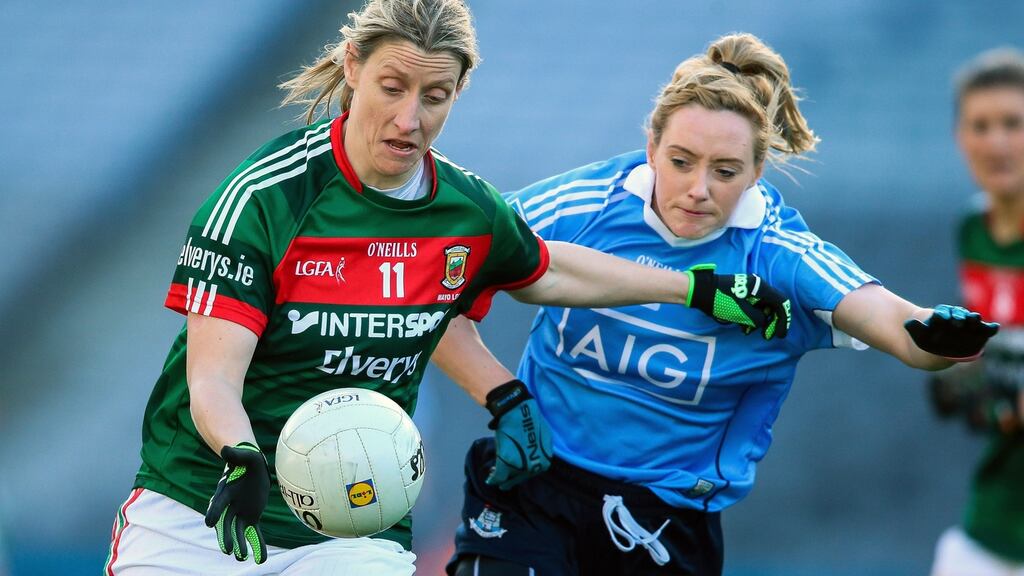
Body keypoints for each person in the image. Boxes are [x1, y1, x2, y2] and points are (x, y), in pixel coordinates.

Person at [101, 3, 794, 575]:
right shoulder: (266, 197)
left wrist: (693, 291)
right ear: (353, 70)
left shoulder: (466, 210)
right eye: (393, 88)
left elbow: (548, 269)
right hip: (205, 503)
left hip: (355, 523)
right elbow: (212, 377)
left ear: (457, 93)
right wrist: (239, 456)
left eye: (435, 97)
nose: (410, 120)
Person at [433, 33, 1001, 576]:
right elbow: (429, 291)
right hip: (536, 484)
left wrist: (931, 332)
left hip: (664, 522)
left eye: (725, 171)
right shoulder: (583, 205)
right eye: (680, 161)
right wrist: (505, 398)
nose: (698, 188)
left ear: (757, 172)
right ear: (651, 145)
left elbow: (890, 321)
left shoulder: (780, 255)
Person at [928, 48, 1024, 576]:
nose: (997, 142)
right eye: (980, 125)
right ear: (959, 137)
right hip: (995, 511)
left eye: (1013, 123)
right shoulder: (972, 229)